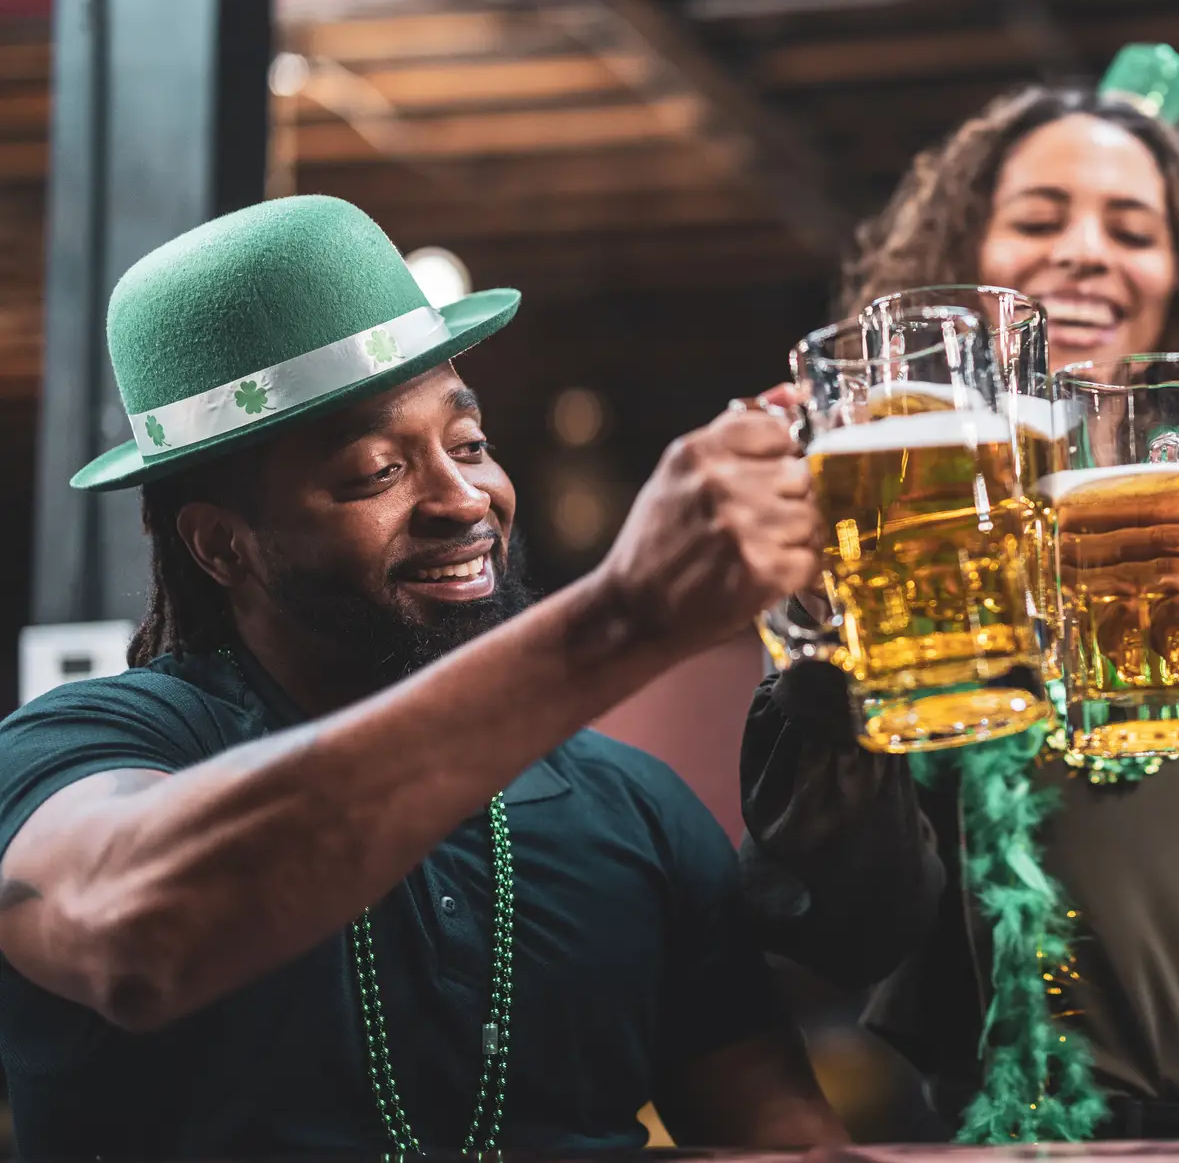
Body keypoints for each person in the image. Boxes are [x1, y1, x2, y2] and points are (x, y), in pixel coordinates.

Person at [0, 196, 844, 1155]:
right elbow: (136, 937)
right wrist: (623, 614)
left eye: (471, 445)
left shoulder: (634, 809)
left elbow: (788, 1142)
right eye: (375, 472)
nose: (462, 499)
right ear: (222, 546)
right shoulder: (85, 748)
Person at [740, 45, 1179, 1142]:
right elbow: (842, 920)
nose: (1084, 254)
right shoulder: (914, 560)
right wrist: (819, 645)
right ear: (962, 267)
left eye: (1131, 229)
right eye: (1039, 217)